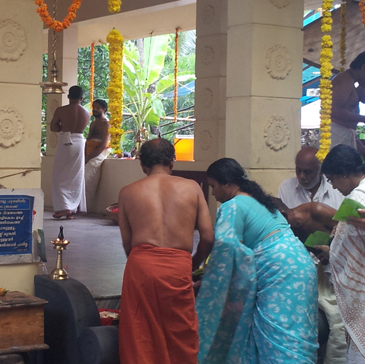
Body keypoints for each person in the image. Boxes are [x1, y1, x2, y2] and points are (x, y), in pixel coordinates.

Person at [197, 158, 318, 363]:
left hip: (278, 271)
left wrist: (208, 282)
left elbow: (227, 253)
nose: (213, 193)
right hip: (301, 264)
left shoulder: (232, 206)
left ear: (226, 182)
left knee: (278, 340)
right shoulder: (260, 201)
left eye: (213, 186)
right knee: (296, 336)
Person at [117, 138, 214, 364]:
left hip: (140, 264)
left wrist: (141, 266)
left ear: (142, 165)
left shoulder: (127, 192)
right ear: (173, 161)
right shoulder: (192, 188)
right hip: (178, 266)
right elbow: (208, 237)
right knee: (181, 333)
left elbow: (127, 242)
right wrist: (193, 264)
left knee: (140, 334)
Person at [321, 145, 365, 363]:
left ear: (344, 173)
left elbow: (345, 251)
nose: (332, 186)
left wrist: (330, 253)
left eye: (332, 179)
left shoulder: (360, 198)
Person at [277, 146, 345, 363]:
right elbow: (286, 227)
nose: (302, 176)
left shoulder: (337, 190)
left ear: (322, 171)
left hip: (334, 267)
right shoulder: (286, 187)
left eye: (308, 172)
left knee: (335, 323)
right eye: (298, 170)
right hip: (300, 263)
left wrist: (332, 250)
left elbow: (345, 231)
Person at [331, 51, 365, 158]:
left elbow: (348, 126)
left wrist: (362, 148)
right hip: (335, 136)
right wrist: (364, 119)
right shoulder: (344, 80)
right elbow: (333, 111)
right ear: (364, 68)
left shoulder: (350, 81)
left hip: (343, 136)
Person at [50, 85, 91, 219]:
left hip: (65, 140)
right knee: (75, 176)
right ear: (81, 98)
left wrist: (63, 127)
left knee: (58, 176)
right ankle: (72, 208)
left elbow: (53, 126)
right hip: (79, 142)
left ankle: (63, 208)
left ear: (68, 97)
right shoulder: (86, 113)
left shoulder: (61, 110)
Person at [84, 99, 111, 209]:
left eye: (98, 108)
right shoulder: (93, 123)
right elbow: (88, 140)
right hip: (89, 152)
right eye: (94, 107)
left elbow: (103, 145)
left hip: (98, 154)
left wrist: (89, 157)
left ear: (104, 110)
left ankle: (86, 208)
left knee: (87, 179)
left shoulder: (107, 124)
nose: (95, 109)